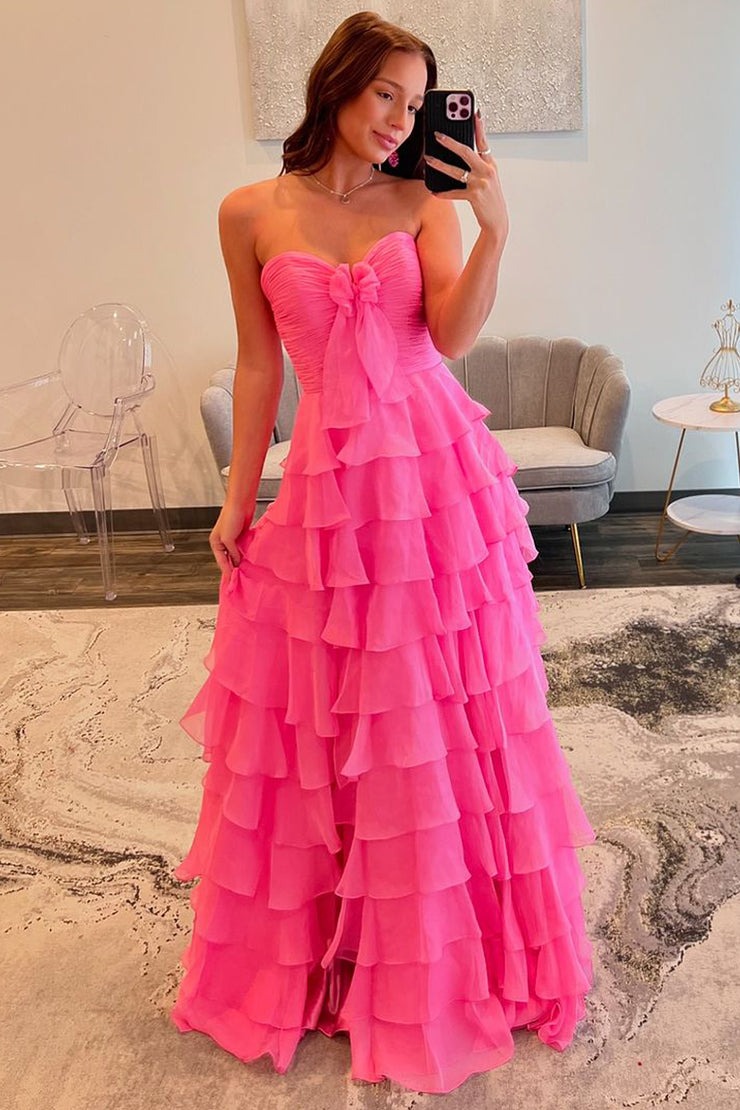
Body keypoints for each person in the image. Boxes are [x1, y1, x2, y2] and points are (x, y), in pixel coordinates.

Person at [170, 10, 594, 1095]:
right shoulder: (248, 212)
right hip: (329, 485)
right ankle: (343, 939)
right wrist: (235, 498)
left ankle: (446, 945)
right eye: (384, 96)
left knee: (434, 708)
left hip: (433, 474)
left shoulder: (423, 199)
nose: (400, 119)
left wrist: (492, 229)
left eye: (415, 101)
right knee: (332, 711)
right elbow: (259, 367)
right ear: (336, 86)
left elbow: (449, 337)